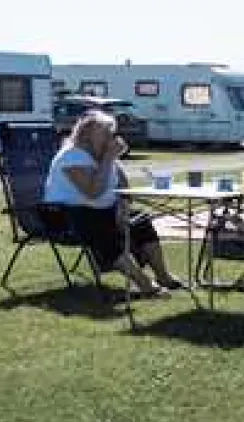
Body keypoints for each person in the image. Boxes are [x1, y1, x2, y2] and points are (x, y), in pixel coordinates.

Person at [43, 111, 184, 295]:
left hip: (101, 211)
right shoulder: (72, 156)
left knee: (140, 220)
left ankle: (163, 276)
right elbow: (93, 192)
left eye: (112, 132)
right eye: (106, 133)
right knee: (99, 226)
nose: (112, 137)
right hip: (64, 217)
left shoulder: (101, 155)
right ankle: (145, 284)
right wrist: (109, 157)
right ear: (87, 135)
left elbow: (123, 184)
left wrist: (123, 207)